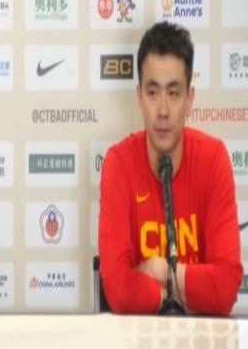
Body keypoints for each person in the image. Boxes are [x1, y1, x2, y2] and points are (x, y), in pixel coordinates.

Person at [98, 21, 242, 315]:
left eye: (173, 93)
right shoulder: (118, 164)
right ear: (139, 98)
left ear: (189, 99)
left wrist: (161, 271)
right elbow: (119, 290)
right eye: (153, 93)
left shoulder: (213, 159)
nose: (162, 110)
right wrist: (179, 293)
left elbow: (226, 287)